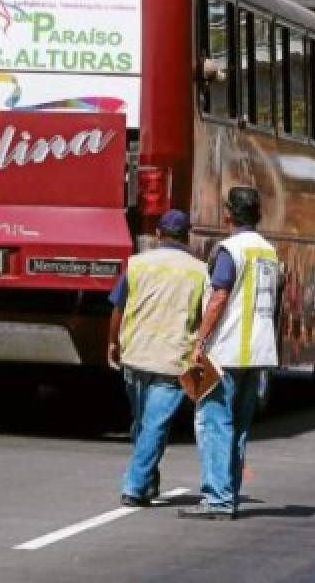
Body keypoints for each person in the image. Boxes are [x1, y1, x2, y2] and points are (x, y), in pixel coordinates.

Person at [179, 186, 279, 520]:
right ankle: (228, 492)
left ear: (228, 215)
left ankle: (217, 499)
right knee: (238, 427)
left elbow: (219, 297)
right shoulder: (268, 251)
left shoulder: (229, 250)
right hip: (258, 353)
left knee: (213, 423)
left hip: (227, 350)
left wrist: (199, 342)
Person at [108, 209, 210, 507]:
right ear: (187, 235)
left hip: (136, 353)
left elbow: (118, 307)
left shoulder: (138, 264)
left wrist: (112, 342)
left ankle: (137, 485)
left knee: (145, 422)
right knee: (151, 425)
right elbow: (205, 317)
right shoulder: (200, 271)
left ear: (158, 233)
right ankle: (143, 482)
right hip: (173, 358)